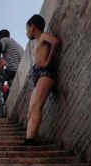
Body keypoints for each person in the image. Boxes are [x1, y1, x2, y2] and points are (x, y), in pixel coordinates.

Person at [24, 14, 60, 144]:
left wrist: (47, 62)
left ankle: (30, 140)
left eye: (27, 28)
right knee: (30, 111)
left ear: (33, 27)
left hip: (45, 74)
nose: (26, 32)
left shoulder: (43, 36)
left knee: (36, 106)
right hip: (37, 76)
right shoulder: (36, 43)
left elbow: (55, 42)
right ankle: (28, 138)